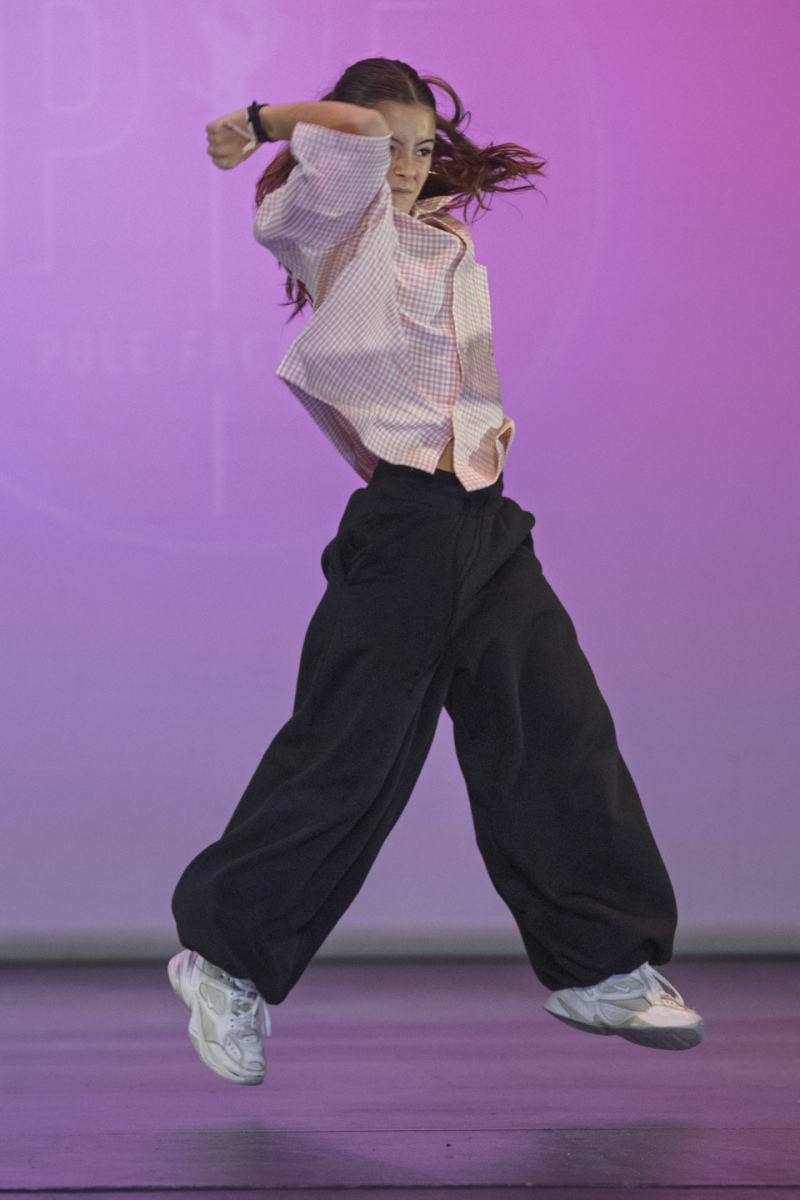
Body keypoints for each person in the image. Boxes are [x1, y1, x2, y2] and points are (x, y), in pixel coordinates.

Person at [169, 58, 704, 1087]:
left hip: (482, 518)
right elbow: (345, 136)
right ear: (335, 150)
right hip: (407, 533)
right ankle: (223, 962)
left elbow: (396, 375)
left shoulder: (442, 241)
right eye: (384, 146)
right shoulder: (323, 220)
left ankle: (600, 966)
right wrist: (258, 119)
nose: (405, 165)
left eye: (420, 148)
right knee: (349, 757)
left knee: (554, 724)